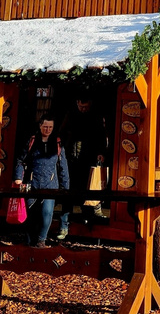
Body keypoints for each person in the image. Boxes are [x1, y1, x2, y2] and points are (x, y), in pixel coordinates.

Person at [13, 117, 69, 247]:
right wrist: (18, 178)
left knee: (47, 213)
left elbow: (63, 167)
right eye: (45, 127)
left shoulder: (57, 143)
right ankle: (28, 241)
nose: (47, 129)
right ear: (40, 126)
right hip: (32, 183)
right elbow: (21, 160)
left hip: (50, 185)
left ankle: (41, 240)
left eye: (50, 127)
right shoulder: (32, 141)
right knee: (29, 214)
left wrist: (65, 187)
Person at [58, 91, 108, 236]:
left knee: (88, 189)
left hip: (88, 157)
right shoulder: (71, 115)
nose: (83, 109)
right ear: (77, 103)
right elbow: (61, 133)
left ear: (90, 104)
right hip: (70, 157)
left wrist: (101, 152)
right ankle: (63, 225)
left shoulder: (96, 117)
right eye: (81, 107)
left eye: (85, 107)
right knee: (68, 191)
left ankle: (88, 224)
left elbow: (101, 136)